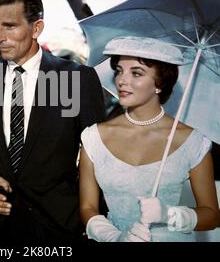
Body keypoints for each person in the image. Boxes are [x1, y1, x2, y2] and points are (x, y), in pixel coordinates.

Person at [0, 0, 105, 243]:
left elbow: (100, 160)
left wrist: (95, 223)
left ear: (37, 28)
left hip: (61, 230)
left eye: (9, 26)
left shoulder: (78, 79)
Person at [79, 36, 220, 242]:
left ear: (159, 84)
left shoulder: (192, 141)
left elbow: (212, 215)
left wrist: (169, 214)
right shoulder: (94, 137)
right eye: (119, 70)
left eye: (136, 73)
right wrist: (114, 237)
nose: (122, 80)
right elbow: (87, 207)